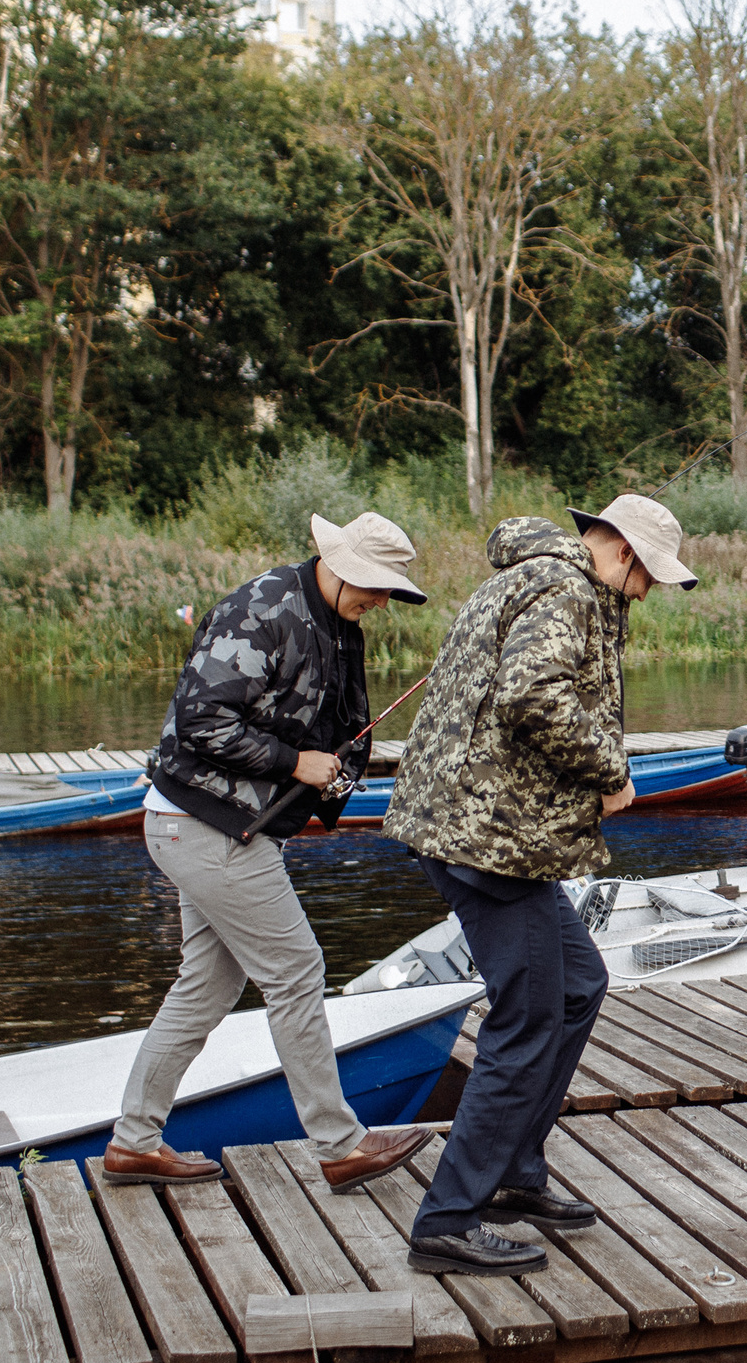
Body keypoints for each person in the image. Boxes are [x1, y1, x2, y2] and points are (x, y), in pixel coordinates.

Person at [384, 493, 698, 1276]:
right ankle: (448, 1219)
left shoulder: (533, 579)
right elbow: (533, 696)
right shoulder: (564, 589)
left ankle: (512, 1172)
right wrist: (610, 770)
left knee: (579, 985)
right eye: (649, 577)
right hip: (490, 838)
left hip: (480, 827)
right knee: (526, 1020)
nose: (648, 593)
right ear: (621, 551)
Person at [102, 511, 436, 1193]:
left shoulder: (337, 624)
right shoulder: (262, 609)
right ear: (339, 567)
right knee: (296, 970)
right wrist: (295, 763)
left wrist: (331, 779)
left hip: (220, 826)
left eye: (389, 591)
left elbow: (331, 722)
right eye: (375, 586)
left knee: (207, 986)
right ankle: (340, 1144)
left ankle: (133, 1142)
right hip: (204, 824)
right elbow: (201, 719)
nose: (381, 601)